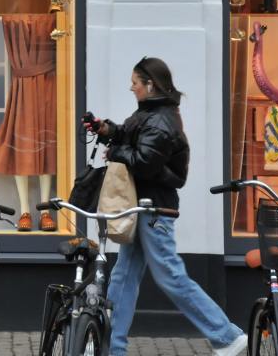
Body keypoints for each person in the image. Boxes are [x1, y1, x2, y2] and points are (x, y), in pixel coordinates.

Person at [85, 57, 247, 356]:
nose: (131, 87)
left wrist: (116, 152)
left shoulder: (160, 120)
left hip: (153, 210)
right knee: (123, 277)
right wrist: (105, 129)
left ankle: (227, 336)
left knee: (170, 276)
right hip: (142, 207)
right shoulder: (150, 113)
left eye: (135, 82)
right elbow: (130, 135)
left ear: (150, 84)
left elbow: (145, 163)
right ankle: (112, 348)